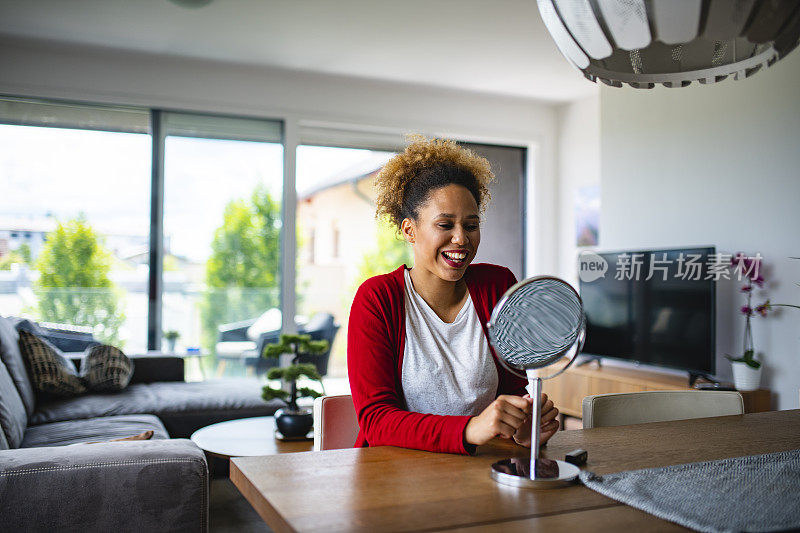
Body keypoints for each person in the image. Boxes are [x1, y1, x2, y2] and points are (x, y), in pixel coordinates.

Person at [347, 136, 560, 455]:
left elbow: (514, 389)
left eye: (471, 225)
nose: (461, 239)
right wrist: (471, 429)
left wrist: (523, 427)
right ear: (409, 230)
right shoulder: (378, 299)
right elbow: (377, 421)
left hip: (481, 468)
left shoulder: (498, 286)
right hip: (391, 472)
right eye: (445, 224)